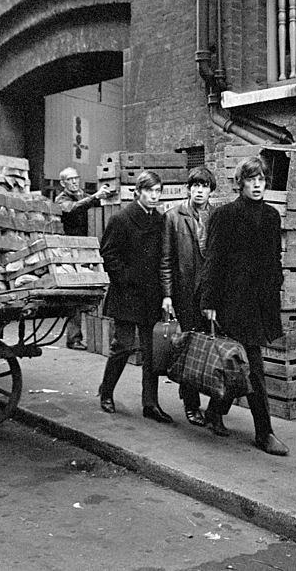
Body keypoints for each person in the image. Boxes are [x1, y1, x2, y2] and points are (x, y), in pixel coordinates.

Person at [199, 156, 288, 456]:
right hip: (233, 303)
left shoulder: (272, 217)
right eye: (251, 180)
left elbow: (275, 258)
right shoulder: (225, 216)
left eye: (261, 179)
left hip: (261, 303)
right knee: (254, 368)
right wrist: (209, 301)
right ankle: (265, 432)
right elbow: (213, 261)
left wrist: (276, 287)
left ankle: (214, 411)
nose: (257, 185)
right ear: (240, 184)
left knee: (237, 364)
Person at [97, 170, 173, 423]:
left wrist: (164, 293)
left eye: (158, 191)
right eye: (149, 191)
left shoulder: (159, 220)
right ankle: (106, 392)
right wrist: (126, 280)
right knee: (123, 346)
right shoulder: (121, 219)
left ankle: (150, 404)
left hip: (150, 296)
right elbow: (108, 254)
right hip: (126, 295)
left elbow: (164, 258)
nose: (154, 196)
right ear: (138, 192)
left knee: (152, 353)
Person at [160, 166, 218, 427]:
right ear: (189, 189)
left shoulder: (217, 216)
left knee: (211, 348)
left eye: (204, 186)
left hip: (209, 294)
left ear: (210, 190)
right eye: (195, 186)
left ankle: (213, 407)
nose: (199, 191)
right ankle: (191, 404)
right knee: (188, 348)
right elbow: (166, 260)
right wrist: (168, 295)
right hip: (185, 294)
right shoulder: (173, 216)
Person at [55, 167, 112, 350]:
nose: (74, 182)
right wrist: (96, 196)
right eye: (69, 180)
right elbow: (73, 209)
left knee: (90, 289)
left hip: (88, 248)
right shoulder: (61, 199)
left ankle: (94, 335)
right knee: (76, 292)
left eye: (76, 178)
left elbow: (92, 204)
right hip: (70, 250)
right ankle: (74, 338)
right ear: (63, 183)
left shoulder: (82, 195)